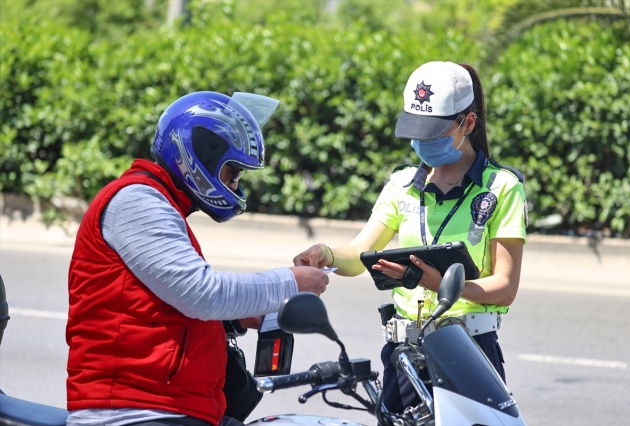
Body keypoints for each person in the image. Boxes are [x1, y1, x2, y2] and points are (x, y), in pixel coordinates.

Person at [66, 91, 329, 426]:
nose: (235, 184)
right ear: (201, 155)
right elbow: (201, 295)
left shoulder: (162, 204)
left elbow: (161, 305)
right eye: (232, 173)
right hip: (133, 411)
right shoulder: (137, 203)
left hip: (169, 406)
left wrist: (237, 318)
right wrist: (289, 282)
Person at [293, 61, 527, 412]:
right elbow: (359, 254)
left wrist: (437, 283)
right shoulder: (402, 183)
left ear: (468, 123)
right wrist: (325, 254)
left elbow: (505, 287)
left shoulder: (502, 187)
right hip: (403, 356)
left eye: (434, 132)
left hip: (471, 353)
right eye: (417, 132)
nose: (423, 142)